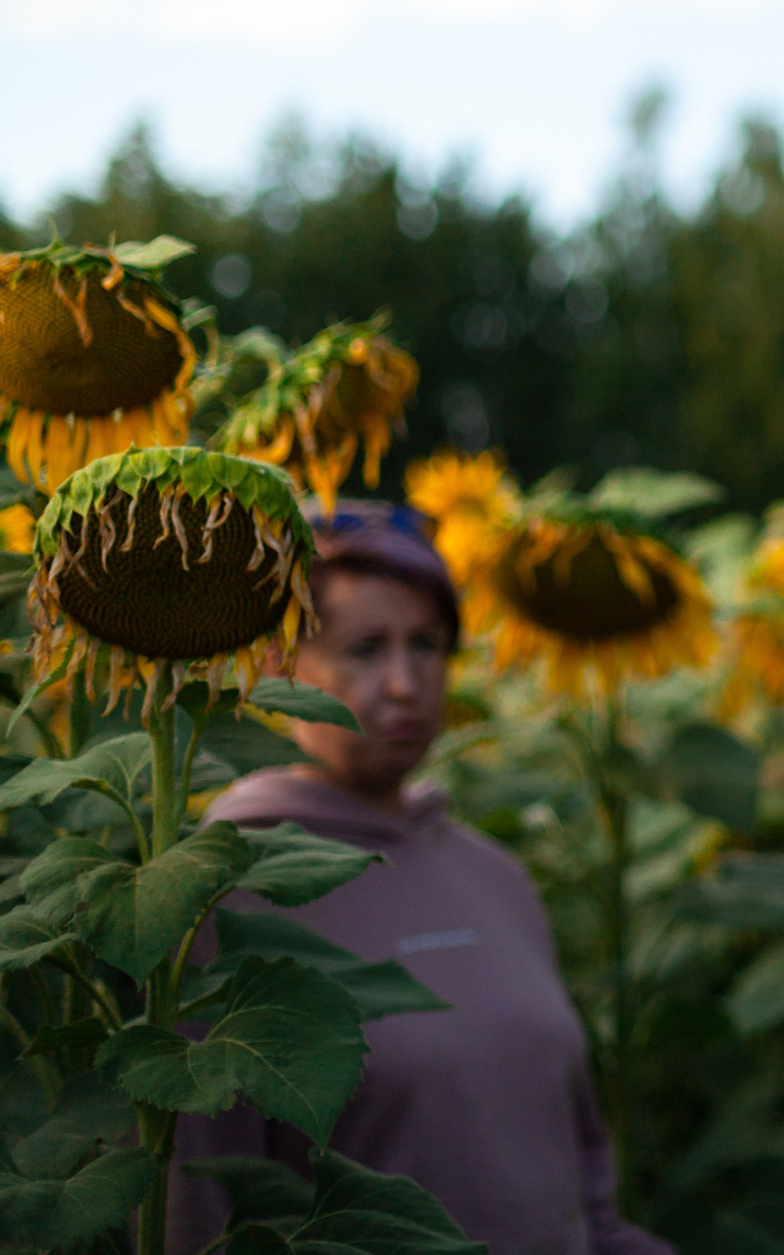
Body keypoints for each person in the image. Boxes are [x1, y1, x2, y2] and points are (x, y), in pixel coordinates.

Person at [171, 503, 670, 1255]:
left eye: (427, 645)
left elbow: (581, 1187)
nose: (405, 682)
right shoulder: (227, 885)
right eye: (366, 649)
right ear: (281, 664)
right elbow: (201, 1202)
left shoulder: (496, 876)